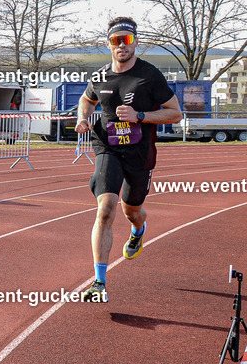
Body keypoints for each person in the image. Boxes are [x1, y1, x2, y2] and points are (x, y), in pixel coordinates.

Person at [75, 17, 182, 303]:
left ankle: (138, 229)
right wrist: (83, 118)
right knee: (106, 208)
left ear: (135, 42)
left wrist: (141, 116)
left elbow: (175, 113)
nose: (122, 45)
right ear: (108, 44)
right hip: (107, 146)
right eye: (116, 40)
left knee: (131, 209)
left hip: (139, 151)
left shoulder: (150, 76)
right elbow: (87, 100)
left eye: (128, 40)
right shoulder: (100, 76)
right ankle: (99, 282)